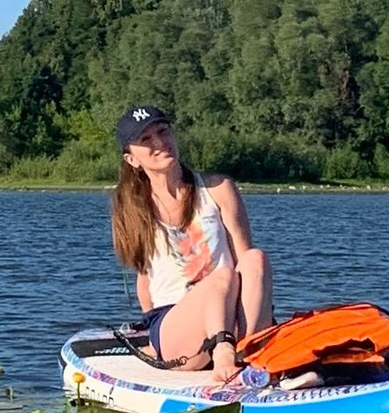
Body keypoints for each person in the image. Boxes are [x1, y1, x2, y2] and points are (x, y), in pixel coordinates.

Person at [110, 106, 274, 382]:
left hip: (231, 312)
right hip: (177, 325)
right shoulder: (132, 208)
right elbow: (144, 279)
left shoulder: (218, 188)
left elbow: (245, 263)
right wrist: (154, 338)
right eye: (146, 139)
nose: (160, 143)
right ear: (132, 159)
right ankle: (224, 354)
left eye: (163, 131)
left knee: (255, 258)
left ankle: (248, 351)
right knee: (219, 276)